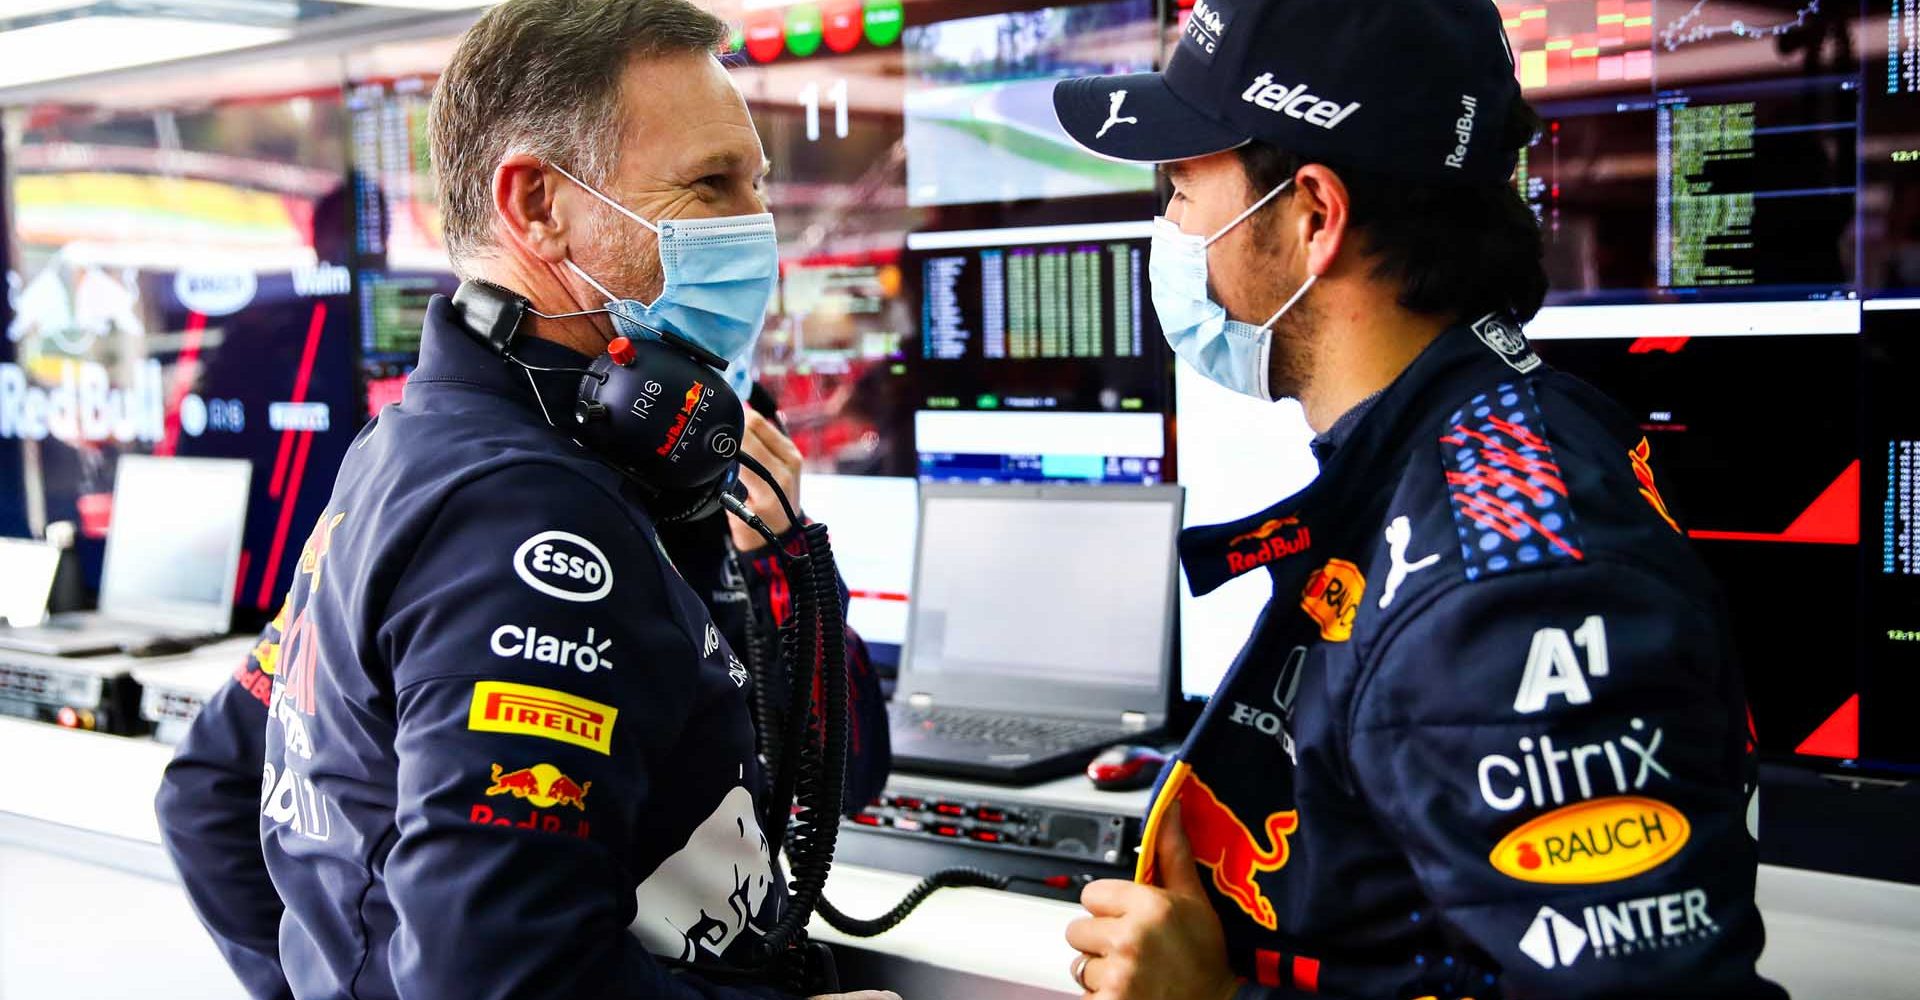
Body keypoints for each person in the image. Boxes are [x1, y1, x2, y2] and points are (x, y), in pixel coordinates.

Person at [1046, 1, 1786, 998]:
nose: (1169, 228)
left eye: (1181, 187)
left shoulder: (1514, 591)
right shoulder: (1440, 456)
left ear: (1313, 215)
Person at [153, 2, 892, 998]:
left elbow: (211, 792)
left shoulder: (424, 456)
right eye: (711, 185)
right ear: (538, 203)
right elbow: (503, 977)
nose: (753, 228)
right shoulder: (525, 517)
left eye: (755, 186)